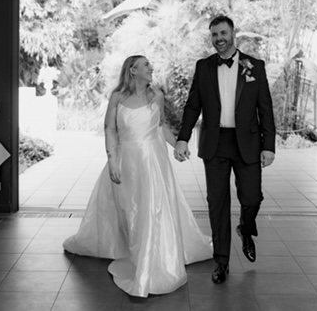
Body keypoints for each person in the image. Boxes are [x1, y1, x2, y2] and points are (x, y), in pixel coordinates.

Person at [63, 55, 212, 298]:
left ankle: (155, 261)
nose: (151, 67)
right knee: (130, 211)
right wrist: (112, 160)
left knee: (153, 208)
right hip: (126, 161)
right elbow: (110, 128)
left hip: (153, 161)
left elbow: (161, 126)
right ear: (132, 70)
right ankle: (136, 251)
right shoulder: (117, 97)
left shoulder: (157, 96)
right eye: (146, 65)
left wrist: (177, 144)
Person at [174, 15, 276, 284]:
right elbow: (193, 105)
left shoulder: (254, 66)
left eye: (223, 33)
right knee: (217, 203)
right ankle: (221, 261)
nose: (219, 39)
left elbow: (265, 108)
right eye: (214, 35)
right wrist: (182, 138)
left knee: (252, 198)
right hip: (215, 143)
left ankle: (245, 227)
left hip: (248, 143)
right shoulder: (204, 67)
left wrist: (269, 146)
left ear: (233, 34)